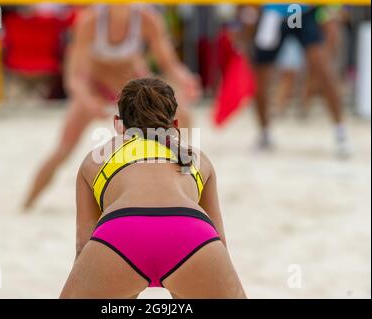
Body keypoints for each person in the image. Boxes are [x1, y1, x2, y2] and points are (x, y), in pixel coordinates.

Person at [59, 78, 245, 298]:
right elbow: (219, 241)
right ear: (175, 125)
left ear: (118, 124)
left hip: (122, 233)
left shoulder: (95, 159)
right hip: (191, 236)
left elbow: (82, 245)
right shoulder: (197, 159)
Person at [24, 5, 201, 210]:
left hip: (131, 88)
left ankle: (183, 186)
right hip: (95, 86)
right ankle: (28, 203)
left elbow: (168, 63)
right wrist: (87, 100)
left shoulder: (147, 19)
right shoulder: (90, 21)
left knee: (182, 120)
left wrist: (186, 80)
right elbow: (74, 77)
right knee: (64, 148)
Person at [253, 4, 350, 158]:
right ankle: (264, 133)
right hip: (274, 11)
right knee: (260, 75)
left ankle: (340, 131)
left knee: (323, 69)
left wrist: (329, 13)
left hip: (301, 10)